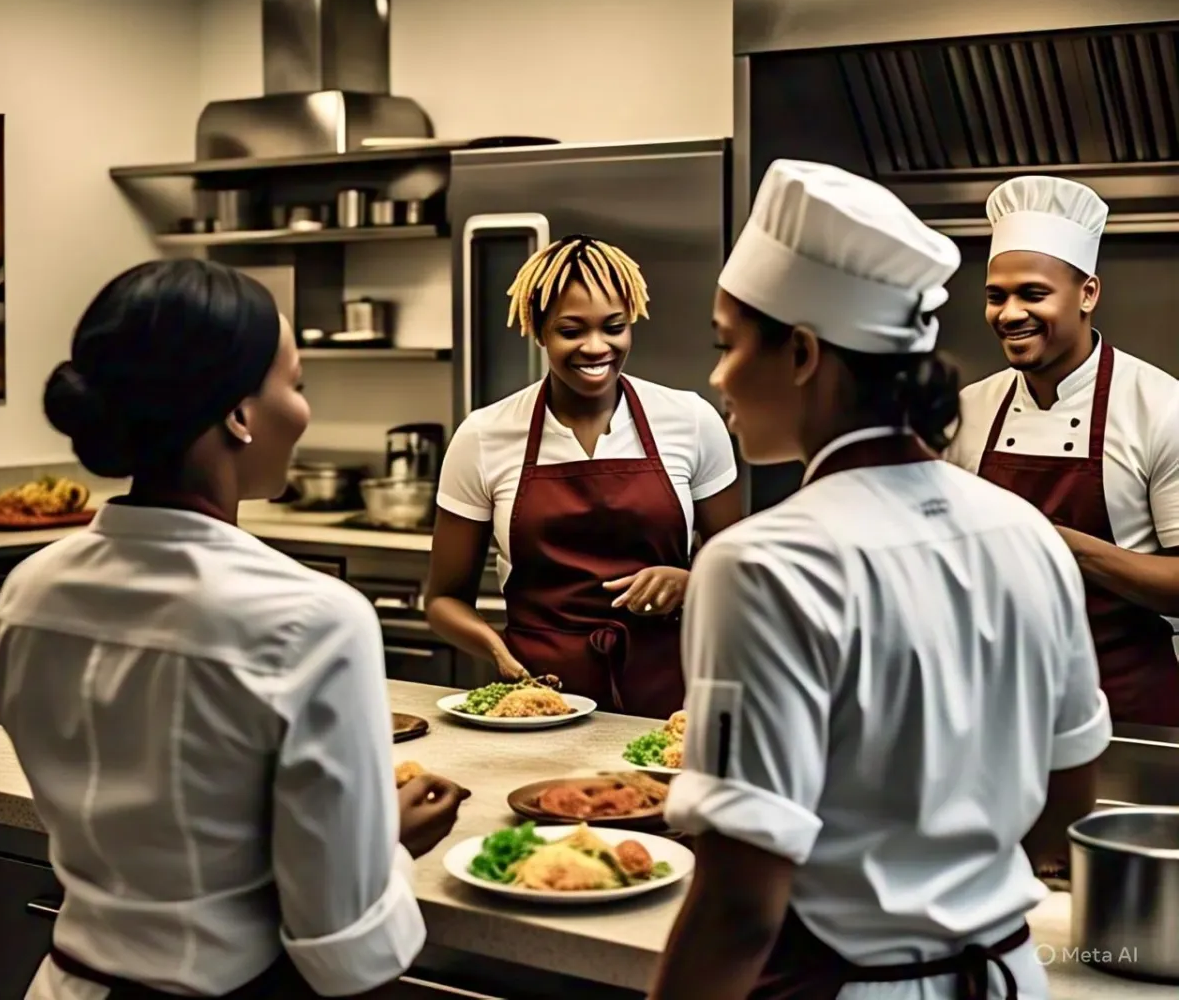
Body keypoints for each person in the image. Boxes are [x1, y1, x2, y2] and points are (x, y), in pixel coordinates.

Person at [650, 161, 1110, 1000]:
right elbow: (1069, 791)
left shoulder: (765, 560)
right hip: (1004, 977)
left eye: (726, 344)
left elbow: (740, 906)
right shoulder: (1026, 532)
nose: (716, 378)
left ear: (800, 352)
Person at [0, 260, 467, 1000]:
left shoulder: (27, 592)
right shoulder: (315, 617)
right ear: (240, 415)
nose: (303, 411)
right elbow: (348, 953)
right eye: (296, 384)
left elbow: (158, 821)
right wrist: (383, 846)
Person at [425, 234, 740, 719]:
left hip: (669, 700)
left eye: (613, 327)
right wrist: (496, 650)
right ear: (540, 332)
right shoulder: (485, 435)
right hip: (539, 699)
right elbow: (444, 598)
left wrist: (689, 580)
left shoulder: (691, 420)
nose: (597, 347)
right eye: (571, 330)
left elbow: (741, 574)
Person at [944, 175, 1179, 726]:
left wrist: (1059, 545)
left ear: (1088, 293)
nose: (1009, 314)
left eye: (1033, 294)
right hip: (997, 706)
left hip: (1126, 709)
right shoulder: (966, 412)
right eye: (996, 296)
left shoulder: (1161, 408)